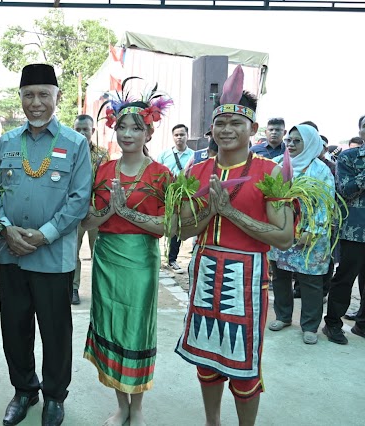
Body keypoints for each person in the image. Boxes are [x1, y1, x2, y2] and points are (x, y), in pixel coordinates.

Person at [175, 66, 294, 426]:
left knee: (244, 369)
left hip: (247, 279)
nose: (227, 130)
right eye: (220, 123)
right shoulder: (195, 172)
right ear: (212, 128)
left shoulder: (270, 171)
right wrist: (211, 210)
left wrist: (231, 213)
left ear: (252, 129)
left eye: (236, 123)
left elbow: (284, 236)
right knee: (208, 362)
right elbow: (182, 229)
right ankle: (212, 422)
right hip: (206, 272)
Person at [0, 63, 92, 426]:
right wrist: (6, 230)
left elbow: (79, 200)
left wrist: (44, 234)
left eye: (43, 95)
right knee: (14, 329)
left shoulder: (75, 144)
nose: (36, 103)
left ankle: (54, 397)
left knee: (56, 332)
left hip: (54, 258)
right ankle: (24, 390)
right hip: (9, 255)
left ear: (56, 97)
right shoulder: (6, 142)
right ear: (20, 98)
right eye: (29, 95)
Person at [81, 83, 172, 426]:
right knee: (112, 326)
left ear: (149, 130)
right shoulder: (103, 171)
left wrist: (128, 214)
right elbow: (88, 219)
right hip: (106, 257)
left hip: (141, 261)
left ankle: (139, 407)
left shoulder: (162, 175)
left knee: (136, 328)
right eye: (122, 126)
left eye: (137, 127)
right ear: (113, 128)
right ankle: (121, 404)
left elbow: (167, 226)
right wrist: (108, 214)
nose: (128, 133)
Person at [267, 125, 334, 344]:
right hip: (283, 231)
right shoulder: (279, 165)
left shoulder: (320, 170)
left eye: (297, 141)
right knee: (281, 277)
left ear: (311, 142)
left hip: (310, 234)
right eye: (289, 140)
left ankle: (310, 326)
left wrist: (312, 231)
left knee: (311, 282)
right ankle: (284, 316)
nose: (291, 144)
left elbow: (326, 203)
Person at [322, 114, 365, 344]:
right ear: (360, 131)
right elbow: (345, 190)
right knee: (345, 279)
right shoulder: (349, 157)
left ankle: (362, 325)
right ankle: (333, 324)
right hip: (356, 231)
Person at [71, 114, 108, 305]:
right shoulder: (67, 152)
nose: (82, 133)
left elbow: (105, 183)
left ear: (92, 131)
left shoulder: (102, 154)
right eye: (78, 129)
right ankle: (73, 288)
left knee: (98, 253)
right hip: (73, 212)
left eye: (85, 129)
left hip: (95, 211)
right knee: (71, 253)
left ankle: (100, 290)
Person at [158, 124, 194, 274]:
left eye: (182, 134)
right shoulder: (164, 154)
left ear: (187, 136)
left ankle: (172, 258)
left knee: (178, 225)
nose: (179, 137)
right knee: (161, 223)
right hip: (166, 194)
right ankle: (159, 256)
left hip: (184, 196)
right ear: (173, 137)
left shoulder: (194, 155)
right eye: (176, 135)